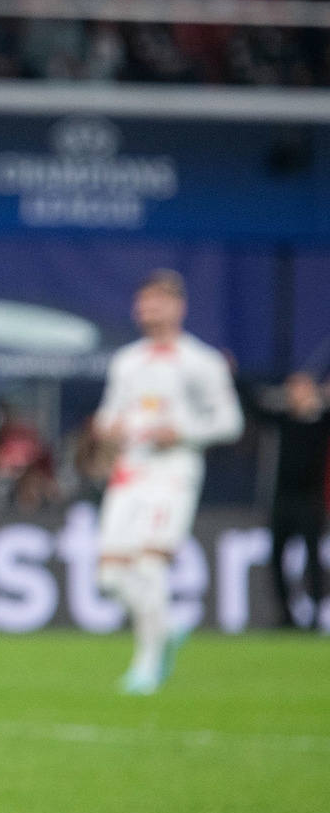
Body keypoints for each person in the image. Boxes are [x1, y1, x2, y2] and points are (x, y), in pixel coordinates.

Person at [92, 269, 243, 693]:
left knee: (149, 564)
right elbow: (107, 415)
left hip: (174, 471)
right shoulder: (127, 361)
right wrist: (111, 426)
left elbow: (230, 422)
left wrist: (183, 431)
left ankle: (147, 665)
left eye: (156, 301)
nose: (147, 309)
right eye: (143, 302)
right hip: (129, 472)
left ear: (179, 306)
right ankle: (167, 626)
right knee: (109, 579)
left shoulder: (202, 361)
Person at [250, 372, 328, 628]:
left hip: (310, 501)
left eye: (301, 389)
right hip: (282, 500)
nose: (295, 395)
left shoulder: (322, 422)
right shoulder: (283, 421)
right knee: (276, 558)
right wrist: (230, 376)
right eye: (292, 390)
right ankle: (285, 615)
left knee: (313, 559)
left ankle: (316, 613)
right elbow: (254, 407)